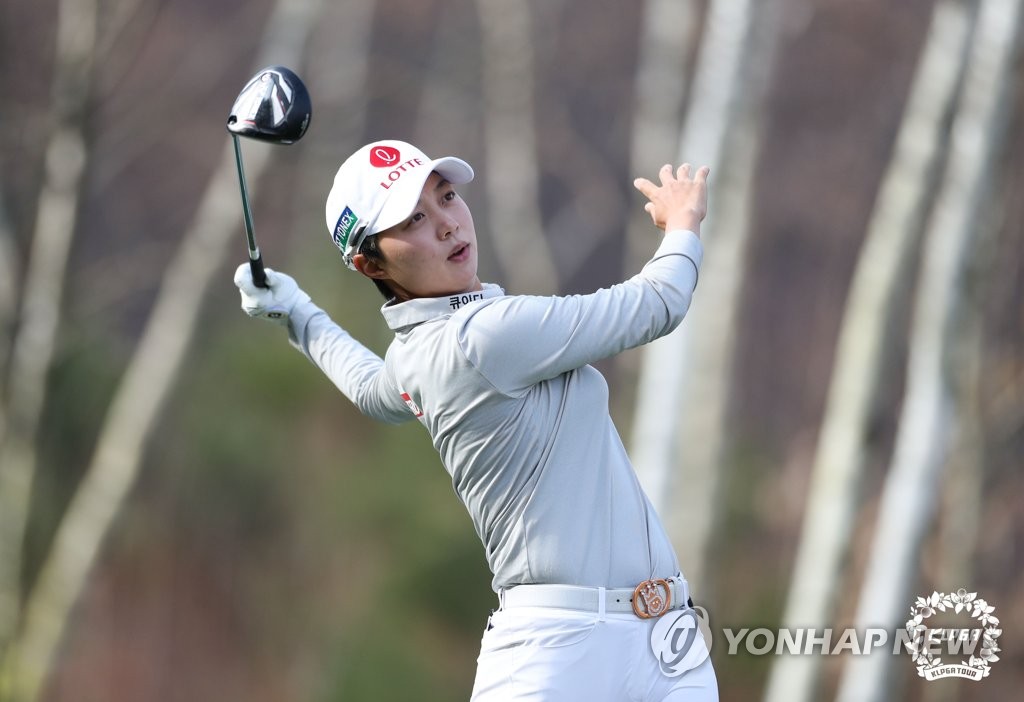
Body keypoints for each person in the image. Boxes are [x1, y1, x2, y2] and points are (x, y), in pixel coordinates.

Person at [234, 139, 718, 701]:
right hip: (557, 653)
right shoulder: (480, 337)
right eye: (413, 218)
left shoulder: (417, 353)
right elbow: (658, 302)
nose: (447, 224)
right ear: (370, 264)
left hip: (665, 641)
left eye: (445, 197)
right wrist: (683, 223)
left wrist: (298, 313)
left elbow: (372, 391)